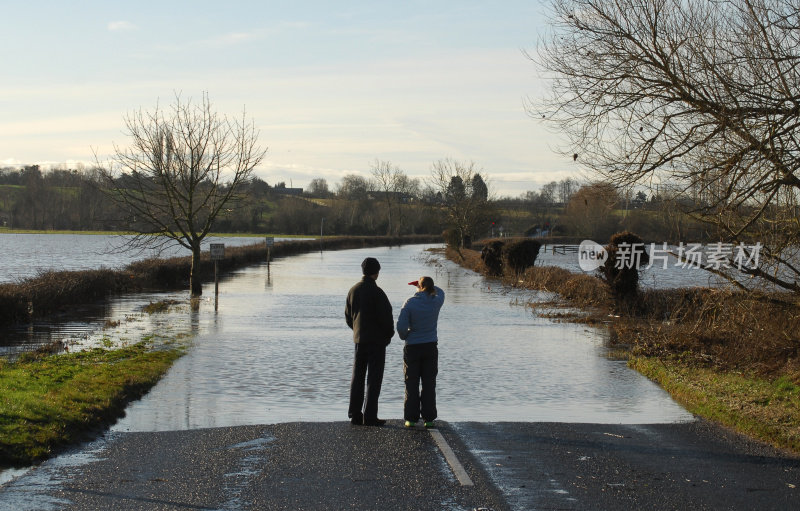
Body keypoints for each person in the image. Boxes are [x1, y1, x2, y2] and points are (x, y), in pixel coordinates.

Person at [345, 257, 394, 426]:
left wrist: (357, 331)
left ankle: (355, 414)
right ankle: (370, 415)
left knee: (357, 376)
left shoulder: (353, 290)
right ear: (377, 272)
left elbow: (348, 316)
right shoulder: (378, 292)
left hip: (359, 339)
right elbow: (387, 318)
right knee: (374, 378)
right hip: (377, 342)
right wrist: (388, 336)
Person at [396, 276, 445, 428]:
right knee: (429, 383)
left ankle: (411, 418)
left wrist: (406, 336)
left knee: (411, 382)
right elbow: (441, 291)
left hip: (413, 347)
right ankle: (429, 418)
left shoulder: (410, 303)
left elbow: (401, 327)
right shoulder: (436, 301)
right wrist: (427, 287)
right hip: (430, 346)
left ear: (419, 286)